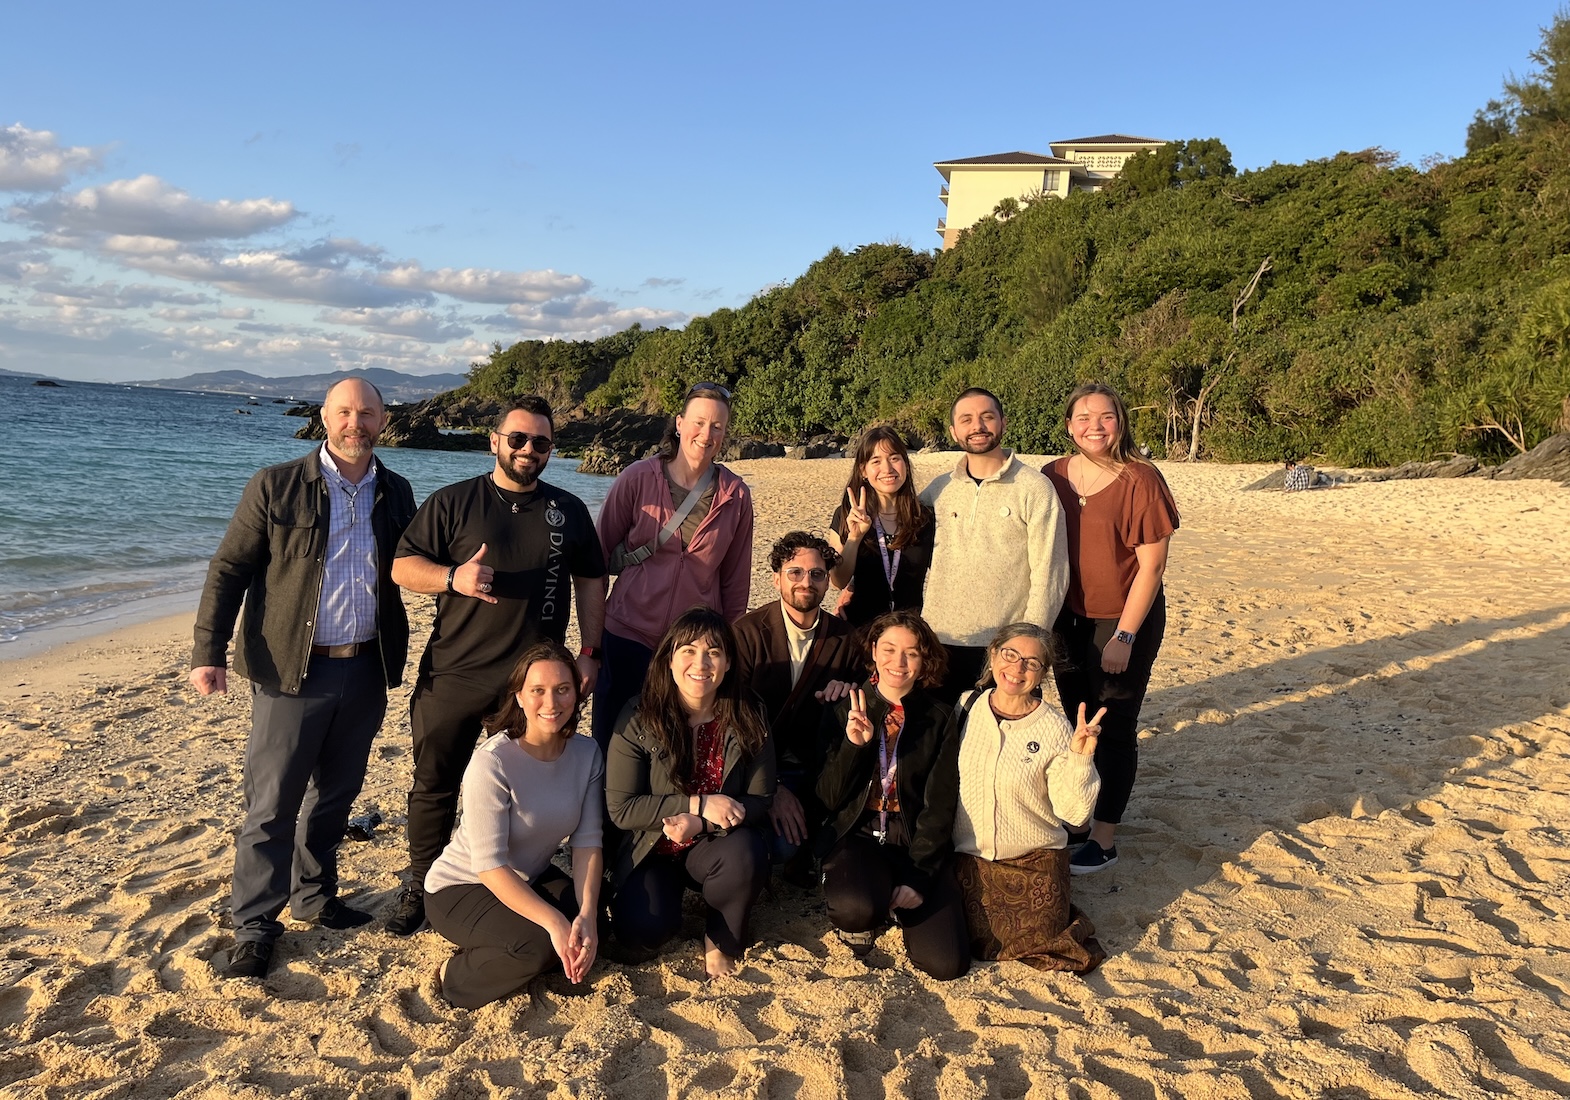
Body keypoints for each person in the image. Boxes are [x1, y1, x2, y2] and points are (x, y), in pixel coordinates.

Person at [190, 377, 414, 980]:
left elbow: (415, 566)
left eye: (367, 413)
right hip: (293, 669)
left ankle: (314, 897)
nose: (356, 422)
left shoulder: (396, 491)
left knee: (336, 795)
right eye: (345, 411)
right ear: (324, 416)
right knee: (272, 803)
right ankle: (256, 922)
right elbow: (230, 567)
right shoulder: (276, 484)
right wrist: (207, 650)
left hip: (367, 665)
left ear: (383, 421)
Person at [385, 395, 607, 936]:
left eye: (541, 442)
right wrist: (451, 578)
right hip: (455, 672)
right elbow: (401, 567)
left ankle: (513, 874)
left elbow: (592, 580)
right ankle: (424, 881)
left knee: (524, 784)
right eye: (518, 439)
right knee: (435, 780)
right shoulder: (454, 502)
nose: (529, 449)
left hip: (533, 688)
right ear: (495, 441)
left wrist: (589, 651)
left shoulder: (568, 510)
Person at [1042, 382, 1179, 875]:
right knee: (1079, 719)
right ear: (1068, 425)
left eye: (1105, 417)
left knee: (1114, 723)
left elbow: (1152, 567)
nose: (1093, 427)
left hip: (1122, 620)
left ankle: (1104, 838)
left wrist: (1123, 635)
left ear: (1119, 422)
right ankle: (1079, 820)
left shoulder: (1140, 479)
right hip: (1066, 619)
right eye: (1083, 417)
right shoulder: (1051, 476)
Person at [424, 642, 603, 1009]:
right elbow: (489, 865)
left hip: (529, 876)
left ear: (576, 695)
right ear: (519, 696)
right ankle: (455, 977)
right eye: (538, 691)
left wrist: (586, 914)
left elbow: (586, 843)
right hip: (463, 886)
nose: (551, 703)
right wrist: (554, 921)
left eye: (562, 690)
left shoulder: (587, 754)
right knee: (537, 945)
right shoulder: (493, 762)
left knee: (595, 923)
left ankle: (513, 936)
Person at [606, 607, 774, 979]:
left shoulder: (749, 713)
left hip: (715, 844)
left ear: (728, 662)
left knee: (747, 851)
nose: (701, 663)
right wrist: (696, 803)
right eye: (688, 650)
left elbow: (761, 800)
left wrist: (699, 822)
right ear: (669, 659)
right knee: (642, 932)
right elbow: (621, 808)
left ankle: (720, 938)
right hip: (652, 848)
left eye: (714, 652)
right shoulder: (638, 716)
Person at [592, 382, 754, 753]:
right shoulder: (638, 478)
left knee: (674, 749)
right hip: (626, 634)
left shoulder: (736, 495)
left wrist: (724, 650)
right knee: (613, 744)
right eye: (699, 422)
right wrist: (592, 642)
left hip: (691, 646)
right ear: (680, 424)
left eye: (717, 426)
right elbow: (597, 558)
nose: (706, 434)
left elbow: (735, 583)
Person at [816, 610, 969, 980]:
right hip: (859, 832)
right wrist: (856, 747)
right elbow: (827, 798)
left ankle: (899, 897)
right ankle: (877, 896)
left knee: (947, 963)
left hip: (913, 837)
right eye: (888, 649)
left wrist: (920, 875)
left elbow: (940, 804)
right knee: (856, 910)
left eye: (912, 653)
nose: (898, 663)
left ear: (924, 659)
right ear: (872, 650)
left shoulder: (940, 716)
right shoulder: (843, 706)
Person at [952, 624, 1106, 973]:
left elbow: (1075, 814)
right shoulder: (966, 706)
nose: (1017, 668)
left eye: (1031, 662)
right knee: (971, 938)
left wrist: (1081, 759)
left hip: (1034, 860)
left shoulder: (1054, 726)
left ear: (1042, 674)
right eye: (1010, 655)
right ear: (993, 656)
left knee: (1046, 936)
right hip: (971, 858)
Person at [920, 387, 1069, 700]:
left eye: (987, 417)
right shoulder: (938, 490)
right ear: (953, 430)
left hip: (1003, 649)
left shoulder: (1035, 488)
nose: (978, 426)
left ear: (1003, 423)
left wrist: (1027, 646)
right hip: (938, 641)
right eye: (967, 419)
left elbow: (1050, 572)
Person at [732, 532, 860, 876]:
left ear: (827, 582)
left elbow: (867, 695)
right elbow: (731, 719)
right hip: (755, 767)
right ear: (776, 579)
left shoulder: (846, 640)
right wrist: (772, 787)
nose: (807, 581)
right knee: (779, 847)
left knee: (809, 842)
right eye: (795, 572)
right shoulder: (746, 634)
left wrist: (849, 689)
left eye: (817, 574)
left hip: (814, 768)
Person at [826, 425, 936, 630]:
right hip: (859, 630)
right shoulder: (846, 514)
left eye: (894, 458)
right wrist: (854, 538)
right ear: (863, 470)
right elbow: (838, 580)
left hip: (908, 634)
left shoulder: (925, 518)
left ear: (905, 463)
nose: (887, 469)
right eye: (876, 461)